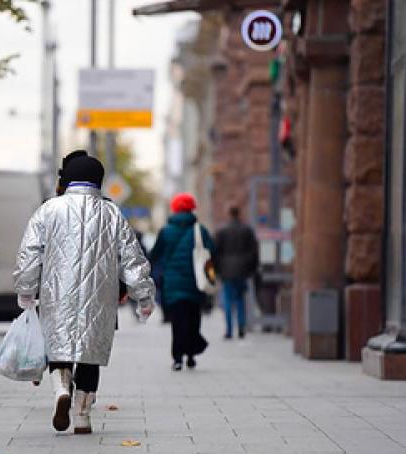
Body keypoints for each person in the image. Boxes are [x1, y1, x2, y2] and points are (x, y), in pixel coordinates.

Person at [14, 155, 155, 435]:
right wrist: (145, 297)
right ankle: (82, 415)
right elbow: (132, 259)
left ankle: (61, 389)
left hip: (57, 292)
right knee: (91, 352)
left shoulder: (48, 210)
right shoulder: (112, 213)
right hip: (100, 295)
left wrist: (26, 290)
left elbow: (29, 254)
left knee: (58, 344)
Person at [149, 193, 215, 371]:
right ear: (192, 208)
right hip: (195, 283)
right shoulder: (200, 230)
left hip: (173, 283)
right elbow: (212, 252)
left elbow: (154, 255)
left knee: (177, 322)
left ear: (175, 208)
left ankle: (177, 358)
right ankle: (191, 355)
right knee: (194, 318)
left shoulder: (166, 231)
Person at [214, 205, 259, 339]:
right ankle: (241, 327)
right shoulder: (246, 230)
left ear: (229, 214)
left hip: (226, 270)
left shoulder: (222, 231)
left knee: (227, 300)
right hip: (242, 270)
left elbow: (215, 252)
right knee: (240, 299)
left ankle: (229, 330)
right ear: (239, 214)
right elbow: (253, 251)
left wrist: (217, 269)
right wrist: (251, 268)